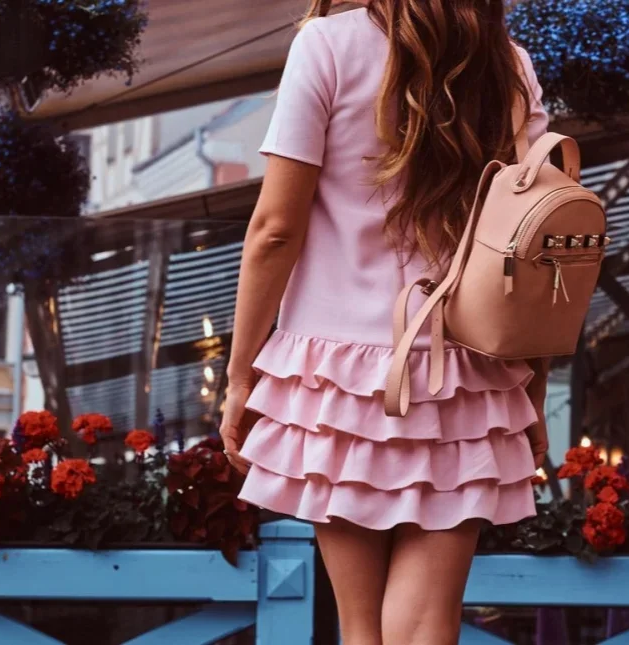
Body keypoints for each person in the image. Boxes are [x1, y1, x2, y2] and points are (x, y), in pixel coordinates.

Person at [220, 1, 550, 643]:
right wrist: (530, 384)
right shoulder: (507, 65)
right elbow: (531, 253)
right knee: (428, 621)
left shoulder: (327, 46)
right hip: (466, 369)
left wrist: (241, 375)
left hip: (338, 378)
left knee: (360, 626)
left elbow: (273, 229)